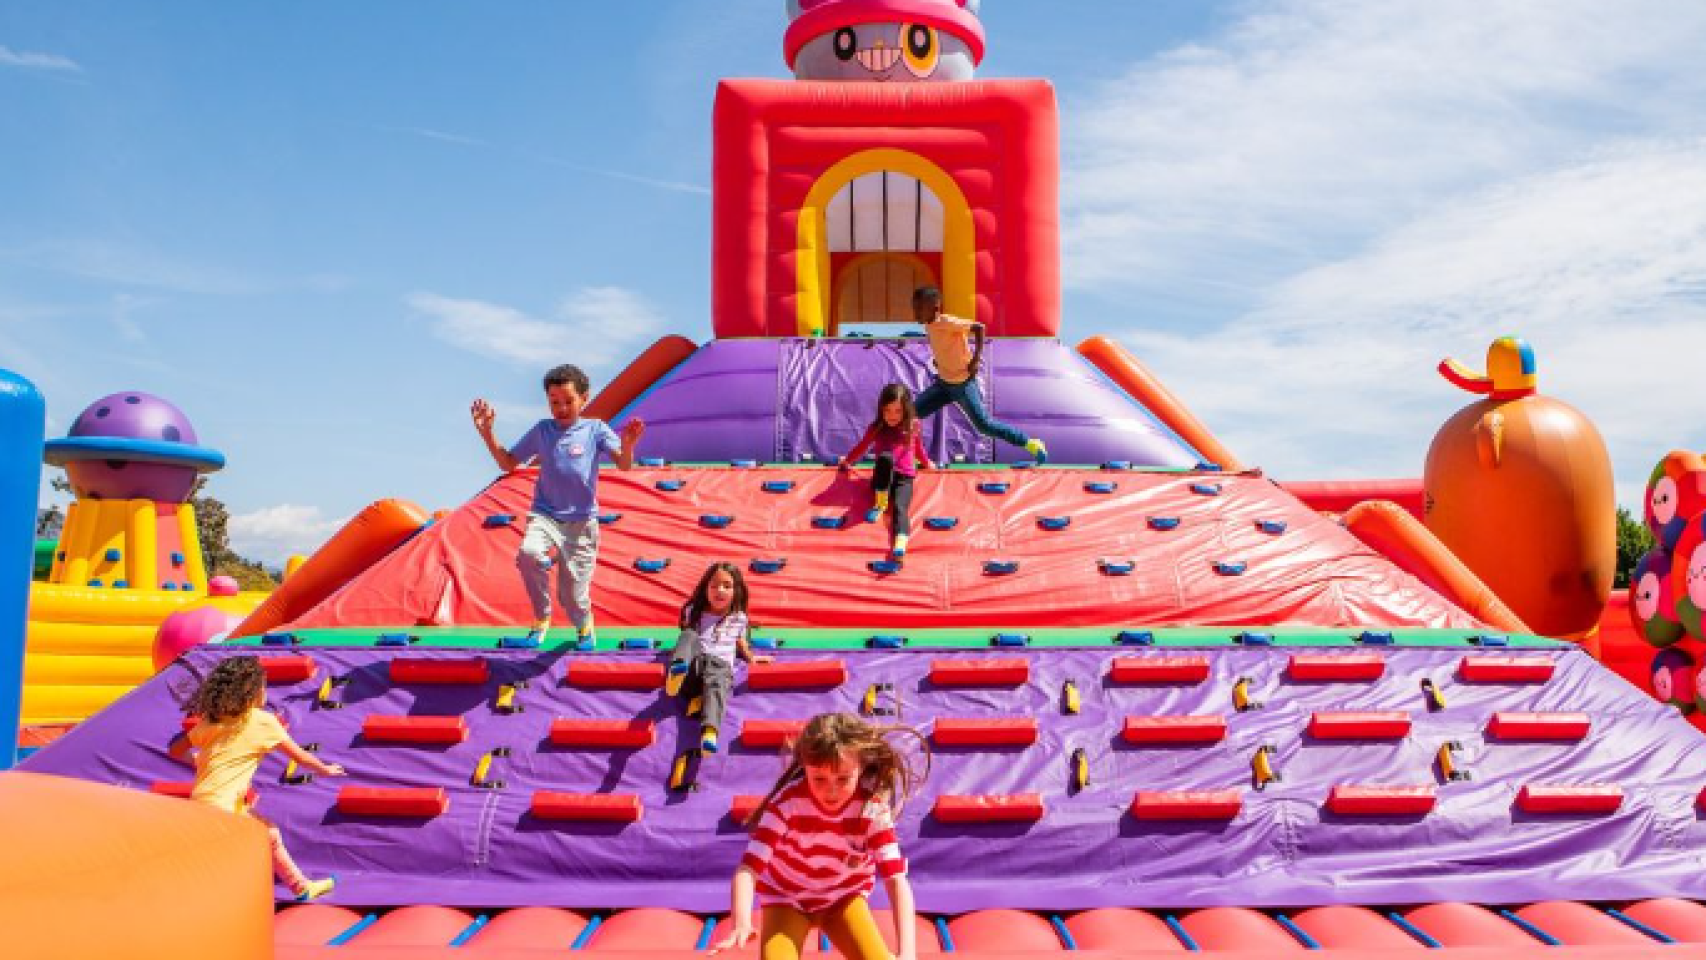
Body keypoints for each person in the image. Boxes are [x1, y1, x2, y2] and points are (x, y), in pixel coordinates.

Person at [710, 713, 930, 960]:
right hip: (787, 899)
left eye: (843, 779)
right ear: (805, 767)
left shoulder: (872, 809)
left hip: (842, 899)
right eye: (819, 779)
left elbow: (896, 881)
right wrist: (741, 921)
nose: (831, 790)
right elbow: (748, 869)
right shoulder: (788, 803)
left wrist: (908, 953)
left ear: (861, 767)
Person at [472, 364, 645, 645]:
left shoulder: (595, 430)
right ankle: (541, 618)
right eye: (554, 402)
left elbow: (624, 465)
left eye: (568, 401)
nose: (561, 408)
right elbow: (508, 463)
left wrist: (628, 445)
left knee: (572, 594)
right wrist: (488, 434)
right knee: (528, 553)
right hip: (545, 515)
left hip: (580, 523)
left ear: (584, 399)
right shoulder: (543, 431)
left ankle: (584, 624)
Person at [167, 655, 345, 901]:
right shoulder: (263, 722)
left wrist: (197, 760)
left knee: (269, 833)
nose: (265, 691)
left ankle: (301, 887)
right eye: (263, 686)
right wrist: (325, 769)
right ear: (251, 692)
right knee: (244, 849)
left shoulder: (211, 722)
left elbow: (174, 749)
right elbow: (300, 756)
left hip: (199, 803)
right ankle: (292, 889)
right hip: (226, 807)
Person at [911, 286, 1047, 464]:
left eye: (919, 309)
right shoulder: (929, 326)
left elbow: (979, 328)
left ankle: (1030, 443)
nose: (915, 313)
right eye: (914, 308)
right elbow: (945, 345)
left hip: (963, 385)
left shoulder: (948, 322)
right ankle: (911, 456)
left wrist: (975, 359)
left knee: (984, 425)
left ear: (935, 308)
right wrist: (941, 361)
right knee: (910, 414)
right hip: (943, 385)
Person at [665, 561, 770, 753]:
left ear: (736, 590)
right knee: (688, 635)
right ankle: (676, 674)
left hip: (718, 669)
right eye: (713, 586)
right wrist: (679, 652)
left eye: (726, 586)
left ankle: (710, 732)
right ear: (705, 589)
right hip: (692, 670)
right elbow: (687, 641)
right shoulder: (694, 613)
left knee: (717, 682)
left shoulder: (738, 618)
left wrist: (751, 659)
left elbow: (740, 642)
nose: (719, 590)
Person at [839, 383, 933, 559]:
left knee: (900, 507)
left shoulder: (913, 425)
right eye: (887, 410)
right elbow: (862, 446)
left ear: (906, 410)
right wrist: (847, 461)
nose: (892, 416)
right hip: (882, 479)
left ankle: (901, 541)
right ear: (881, 409)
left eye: (897, 411)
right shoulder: (877, 427)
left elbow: (918, 448)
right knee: (885, 458)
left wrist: (927, 463)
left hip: (904, 477)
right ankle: (880, 503)